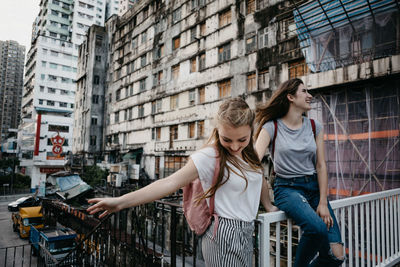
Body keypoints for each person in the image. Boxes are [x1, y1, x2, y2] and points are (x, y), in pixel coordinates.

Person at [88, 97, 276, 266]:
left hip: (248, 231)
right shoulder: (210, 156)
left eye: (242, 139)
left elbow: (259, 179)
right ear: (217, 131)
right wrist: (119, 202)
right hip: (223, 234)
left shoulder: (249, 155)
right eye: (227, 139)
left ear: (251, 131)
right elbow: (169, 183)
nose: (235, 146)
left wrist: (269, 206)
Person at [254, 78, 345, 267]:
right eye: (304, 91)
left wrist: (322, 202)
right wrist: (267, 204)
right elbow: (253, 163)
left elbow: (321, 165)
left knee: (337, 256)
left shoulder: (314, 126)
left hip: (313, 188)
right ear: (290, 97)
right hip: (287, 189)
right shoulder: (271, 127)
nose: (310, 96)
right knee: (316, 228)